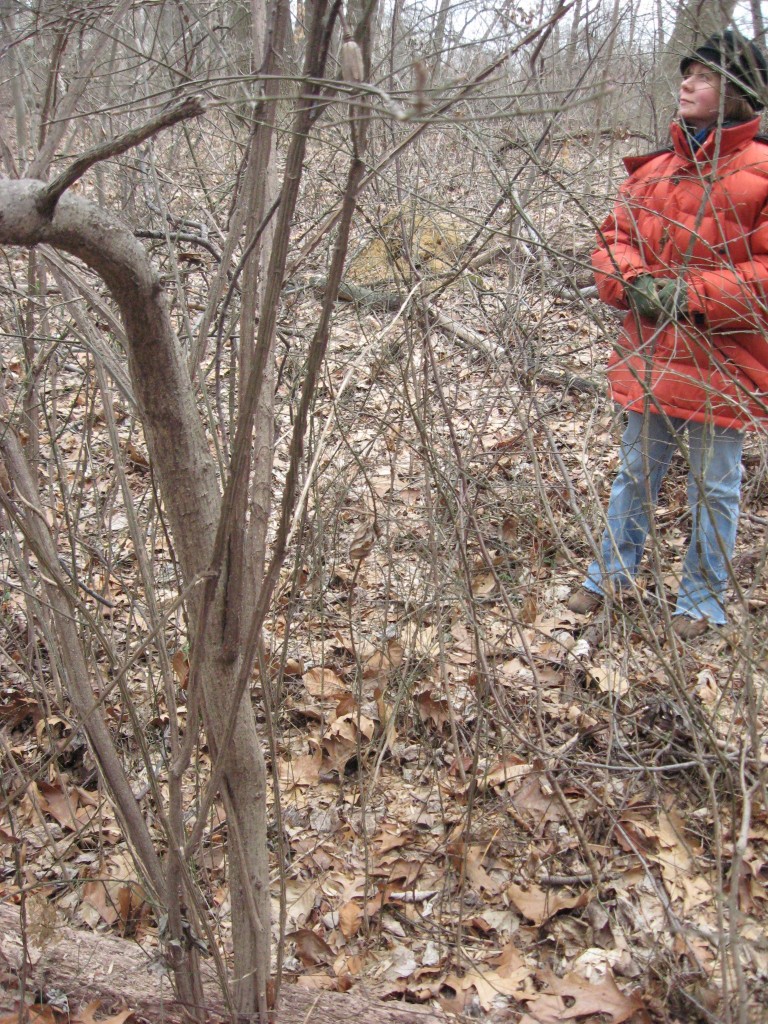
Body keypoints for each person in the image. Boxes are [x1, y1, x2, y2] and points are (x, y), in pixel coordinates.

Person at [567, 30, 768, 640]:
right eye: (687, 72)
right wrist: (633, 285)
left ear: (736, 95)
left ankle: (701, 603)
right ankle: (609, 576)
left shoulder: (762, 172)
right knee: (635, 473)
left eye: (703, 76)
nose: (686, 83)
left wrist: (692, 295)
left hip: (725, 359)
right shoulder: (654, 169)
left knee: (715, 487)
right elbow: (612, 239)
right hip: (652, 353)